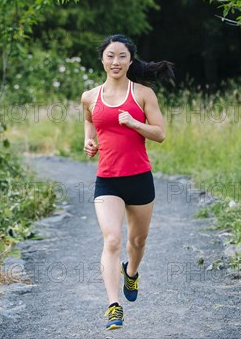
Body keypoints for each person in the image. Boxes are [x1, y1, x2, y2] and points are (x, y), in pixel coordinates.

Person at [80, 34, 173, 330]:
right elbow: (89, 122)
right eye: (110, 56)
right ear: (102, 60)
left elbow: (159, 134)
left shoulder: (143, 93)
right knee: (112, 240)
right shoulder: (89, 96)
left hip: (139, 178)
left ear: (130, 60)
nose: (115, 61)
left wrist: (133, 123)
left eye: (121, 56)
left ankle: (131, 272)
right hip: (107, 180)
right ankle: (113, 306)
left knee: (137, 241)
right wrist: (89, 141)